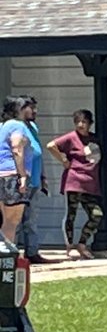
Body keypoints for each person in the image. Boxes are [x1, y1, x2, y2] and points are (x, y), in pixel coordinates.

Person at [47, 109, 107, 260]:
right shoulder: (71, 138)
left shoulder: (94, 139)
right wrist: (64, 160)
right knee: (71, 214)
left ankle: (82, 243)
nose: (80, 125)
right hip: (73, 181)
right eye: (77, 121)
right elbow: (51, 145)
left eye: (84, 122)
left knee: (97, 214)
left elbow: (99, 152)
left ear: (90, 124)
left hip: (90, 185)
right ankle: (70, 246)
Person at [15, 96, 49, 263]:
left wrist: (43, 176)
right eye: (31, 108)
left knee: (32, 219)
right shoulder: (15, 127)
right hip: (20, 180)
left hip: (35, 180)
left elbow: (38, 152)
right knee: (14, 219)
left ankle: (32, 252)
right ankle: (10, 253)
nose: (34, 111)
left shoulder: (33, 127)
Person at [0, 96, 31, 244]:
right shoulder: (17, 126)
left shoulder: (3, 126)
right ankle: (8, 257)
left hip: (2, 174)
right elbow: (17, 148)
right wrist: (22, 175)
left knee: (5, 220)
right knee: (12, 222)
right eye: (26, 107)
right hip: (12, 175)